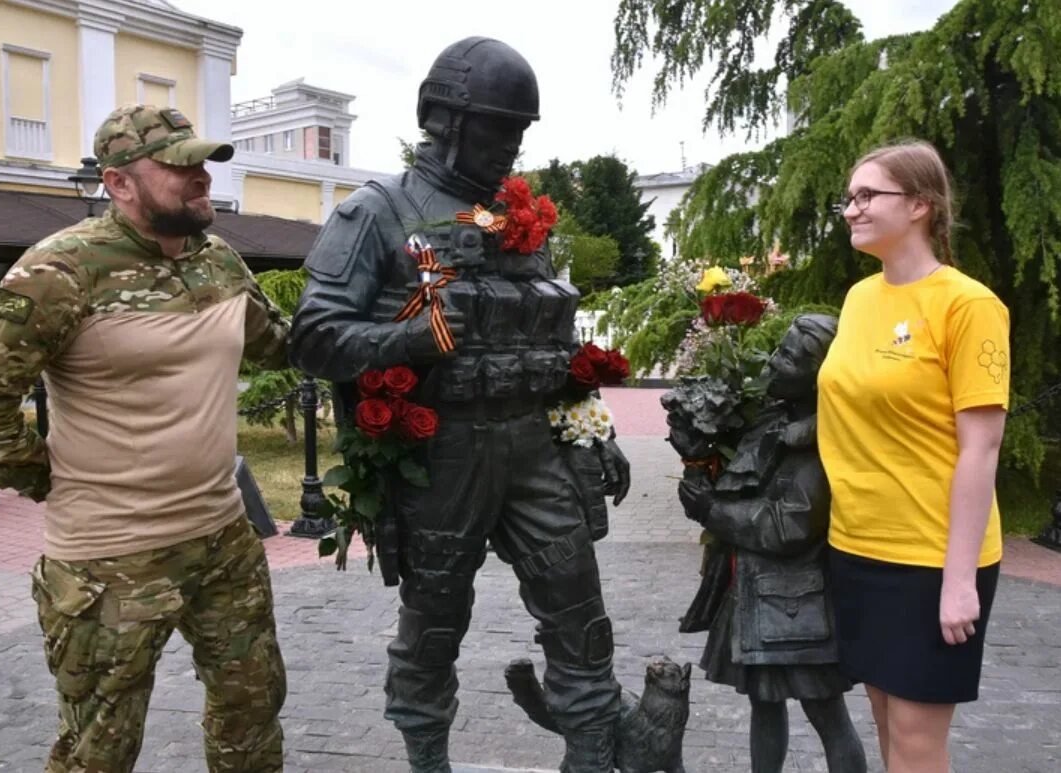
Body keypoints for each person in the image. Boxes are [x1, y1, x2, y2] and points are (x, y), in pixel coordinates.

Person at [290, 37, 630, 773]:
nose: (512, 145)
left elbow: (544, 328)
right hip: (441, 453)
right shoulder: (376, 214)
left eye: (520, 130)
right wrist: (409, 339)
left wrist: (589, 427)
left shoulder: (511, 215)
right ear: (443, 119)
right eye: (497, 128)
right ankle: (428, 760)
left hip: (536, 448)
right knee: (435, 624)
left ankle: (593, 756)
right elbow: (314, 337)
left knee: (579, 614)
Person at [0, 104, 290, 773]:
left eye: (203, 164)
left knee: (252, 713)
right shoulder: (60, 269)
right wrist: (46, 475)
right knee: (98, 749)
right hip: (110, 560)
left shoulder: (217, 260)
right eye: (178, 165)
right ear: (120, 182)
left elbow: (277, 343)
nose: (200, 179)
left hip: (224, 538)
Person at [818, 140, 1009, 772]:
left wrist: (958, 582)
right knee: (885, 722)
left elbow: (981, 448)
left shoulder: (968, 306)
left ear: (921, 205)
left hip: (932, 558)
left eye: (868, 195)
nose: (852, 209)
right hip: (857, 547)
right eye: (850, 197)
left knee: (918, 742)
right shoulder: (859, 300)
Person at [677, 314, 866, 773]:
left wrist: (712, 512)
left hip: (797, 603)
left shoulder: (824, 440)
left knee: (826, 712)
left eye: (791, 358)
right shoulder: (774, 418)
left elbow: (787, 526)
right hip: (755, 593)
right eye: (780, 350)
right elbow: (746, 481)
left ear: (821, 374)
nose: (776, 363)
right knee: (764, 704)